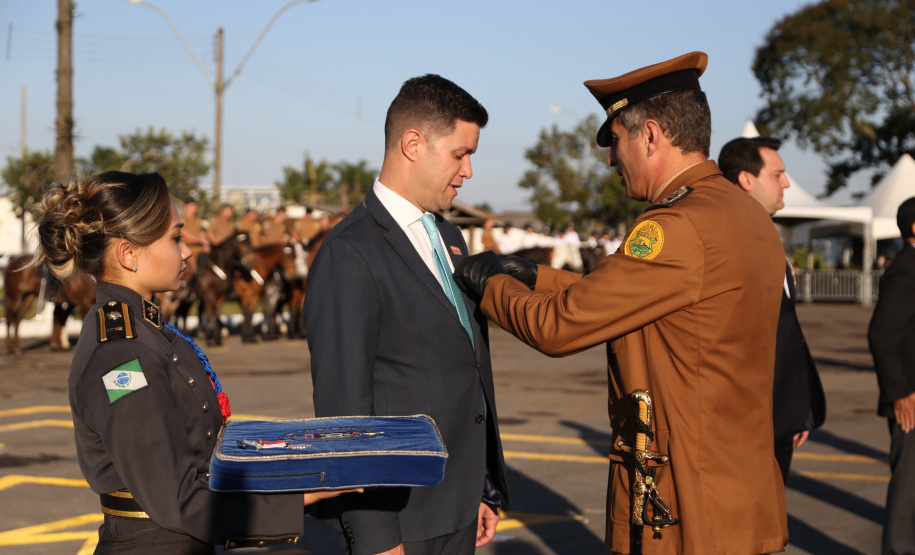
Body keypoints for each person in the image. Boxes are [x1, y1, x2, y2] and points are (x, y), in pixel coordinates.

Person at [454, 51, 788, 554]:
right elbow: (644, 299)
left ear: (650, 135)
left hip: (687, 508)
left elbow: (559, 328)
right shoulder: (742, 214)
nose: (611, 160)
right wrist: (538, 276)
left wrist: (490, 283)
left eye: (615, 141)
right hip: (740, 492)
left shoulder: (674, 226)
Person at [30, 171, 353, 553]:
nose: (186, 252)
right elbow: (177, 499)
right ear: (128, 254)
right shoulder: (122, 355)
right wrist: (297, 499)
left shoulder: (144, 329)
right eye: (176, 238)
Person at [304, 74, 509, 555]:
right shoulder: (350, 252)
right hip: (401, 523)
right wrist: (375, 537)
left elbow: (463, 369)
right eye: (461, 154)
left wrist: (481, 488)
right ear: (413, 144)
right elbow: (344, 413)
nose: (468, 172)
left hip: (456, 506)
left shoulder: (450, 237)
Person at [718, 136, 827, 483]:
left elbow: (785, 331)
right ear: (746, 180)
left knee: (771, 529)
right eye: (777, 174)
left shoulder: (769, 238)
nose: (787, 183)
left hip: (781, 417)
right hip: (744, 424)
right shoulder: (725, 242)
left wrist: (797, 409)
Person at [868, 196, 915, 555]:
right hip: (910, 400)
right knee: (907, 491)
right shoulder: (906, 268)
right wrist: (899, 393)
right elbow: (882, 334)